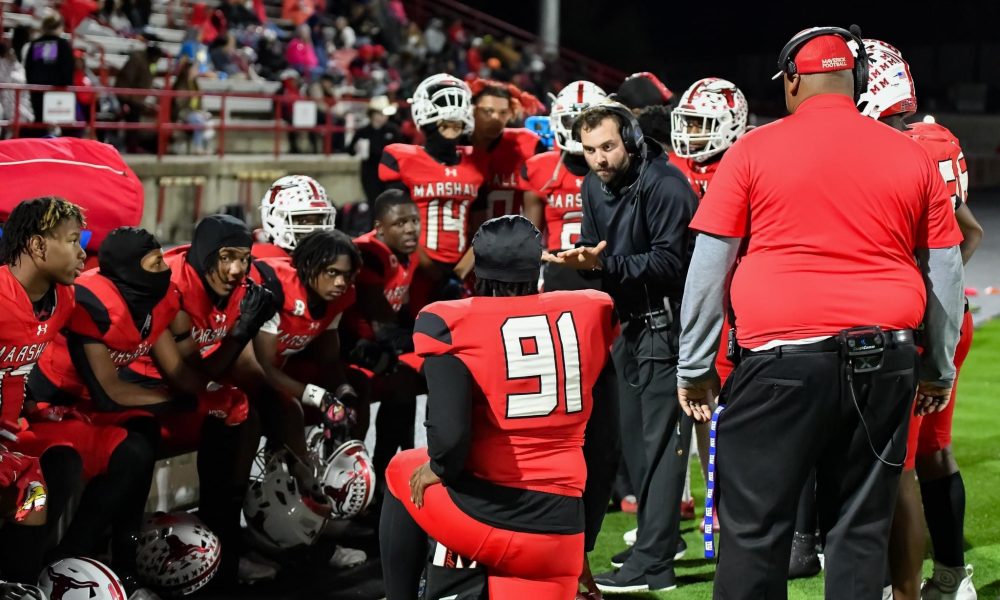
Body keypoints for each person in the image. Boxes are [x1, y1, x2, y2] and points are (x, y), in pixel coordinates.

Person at [676, 26, 965, 600]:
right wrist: (938, 370)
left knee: (754, 530)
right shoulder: (911, 155)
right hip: (885, 359)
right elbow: (946, 273)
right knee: (859, 532)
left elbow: (709, 266)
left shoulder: (752, 149)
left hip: (780, 361)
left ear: (791, 80)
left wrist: (694, 364)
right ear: (856, 80)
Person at [379, 215, 620, 599]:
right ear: (537, 265)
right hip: (561, 534)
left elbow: (450, 437)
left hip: (488, 520)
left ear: (478, 270)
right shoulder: (590, 312)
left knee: (401, 469)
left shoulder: (449, 321)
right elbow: (606, 444)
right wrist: (582, 542)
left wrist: (438, 467)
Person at [545, 102, 697, 593]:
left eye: (608, 146)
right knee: (634, 445)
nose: (599, 159)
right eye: (590, 150)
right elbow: (598, 250)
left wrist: (602, 266)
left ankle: (655, 564)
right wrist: (585, 262)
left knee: (661, 447)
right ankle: (655, 541)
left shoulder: (667, 185)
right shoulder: (593, 185)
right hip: (628, 326)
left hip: (667, 326)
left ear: (630, 140)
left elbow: (671, 264)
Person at [855, 39, 982, 600]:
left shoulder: (893, 153)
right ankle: (951, 578)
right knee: (933, 451)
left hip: (910, 331)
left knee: (895, 463)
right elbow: (969, 233)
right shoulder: (930, 143)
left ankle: (896, 587)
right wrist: (938, 290)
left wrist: (913, 290)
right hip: (951, 320)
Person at [121, 214, 280, 584]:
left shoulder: (241, 283)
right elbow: (185, 377)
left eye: (244, 258)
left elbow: (234, 367)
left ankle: (226, 541)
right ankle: (123, 565)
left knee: (243, 411)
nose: (237, 268)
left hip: (178, 385)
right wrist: (241, 333)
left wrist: (283, 400)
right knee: (137, 448)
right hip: (133, 385)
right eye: (227, 257)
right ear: (207, 253)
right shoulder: (169, 285)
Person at [669, 76, 752, 544]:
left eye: (703, 123)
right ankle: (710, 499)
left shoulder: (744, 162)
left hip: (736, 303)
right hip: (690, 298)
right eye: (691, 122)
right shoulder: (675, 166)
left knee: (729, 406)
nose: (693, 133)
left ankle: (731, 500)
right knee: (701, 406)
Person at [0, 197, 86, 583]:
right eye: (72, 240)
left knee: (50, 476)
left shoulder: (63, 299)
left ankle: (17, 583)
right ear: (37, 245)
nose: (82, 253)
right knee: (29, 488)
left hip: (9, 437)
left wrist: (32, 403)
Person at [378, 73, 484, 313]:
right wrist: (436, 274)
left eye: (456, 125)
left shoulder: (476, 162)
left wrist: (458, 275)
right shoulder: (402, 158)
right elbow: (395, 226)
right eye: (444, 124)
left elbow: (480, 229)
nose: (451, 131)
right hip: (415, 267)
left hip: (462, 269)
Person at [340, 190, 420, 491]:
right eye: (400, 223)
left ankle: (391, 468)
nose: (410, 229)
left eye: (414, 221)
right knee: (401, 378)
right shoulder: (368, 253)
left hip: (377, 343)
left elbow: (399, 313)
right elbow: (381, 320)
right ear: (379, 227)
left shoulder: (407, 251)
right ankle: (365, 475)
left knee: (407, 381)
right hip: (348, 345)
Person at [521, 80, 607, 292]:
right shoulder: (540, 168)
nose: (579, 130)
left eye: (589, 121)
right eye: (571, 121)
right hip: (558, 275)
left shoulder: (617, 168)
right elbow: (529, 239)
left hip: (608, 270)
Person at [255, 174, 337, 259]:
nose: (314, 229)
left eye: (319, 221)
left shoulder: (330, 257)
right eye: (304, 221)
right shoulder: (261, 263)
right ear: (274, 219)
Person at [23, 14, 74, 135]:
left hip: (37, 92)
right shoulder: (62, 44)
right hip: (57, 92)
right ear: (59, 26)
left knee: (39, 124)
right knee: (57, 125)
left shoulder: (35, 44)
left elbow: (28, 68)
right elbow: (67, 68)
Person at [347, 96, 402, 206]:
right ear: (372, 114)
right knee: (374, 203)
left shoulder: (393, 130)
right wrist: (356, 148)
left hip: (389, 172)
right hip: (370, 173)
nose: (383, 117)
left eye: (385, 114)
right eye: (380, 114)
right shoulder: (363, 132)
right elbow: (350, 150)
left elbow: (401, 149)